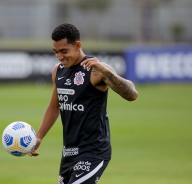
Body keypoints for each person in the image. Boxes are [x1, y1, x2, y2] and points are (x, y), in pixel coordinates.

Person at [29, 23, 138, 184]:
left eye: (64, 51)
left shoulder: (97, 70)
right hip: (69, 153)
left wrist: (107, 71)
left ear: (78, 45)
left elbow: (132, 94)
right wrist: (39, 137)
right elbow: (54, 106)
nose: (59, 56)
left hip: (94, 151)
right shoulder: (58, 71)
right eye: (56, 52)